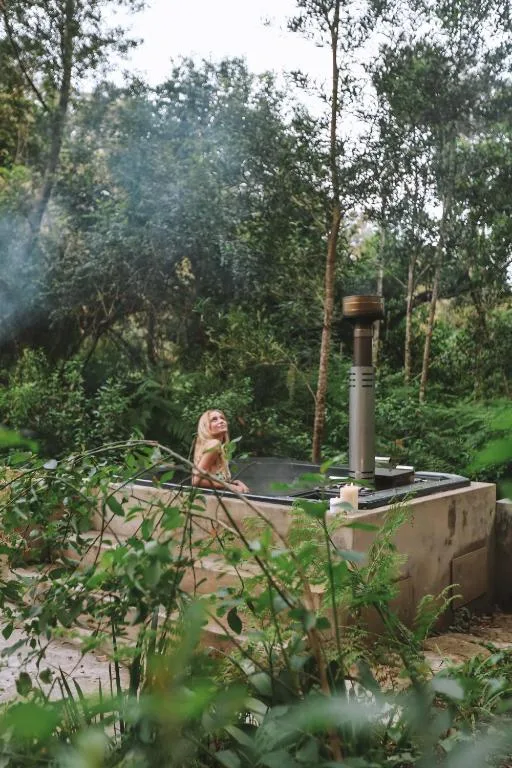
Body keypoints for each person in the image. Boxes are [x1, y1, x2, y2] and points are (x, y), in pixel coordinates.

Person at [191, 409, 249, 493]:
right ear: (206, 427)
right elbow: (195, 480)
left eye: (222, 418)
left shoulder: (220, 447)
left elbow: (212, 478)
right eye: (214, 419)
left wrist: (235, 483)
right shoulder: (214, 445)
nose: (221, 421)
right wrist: (230, 486)